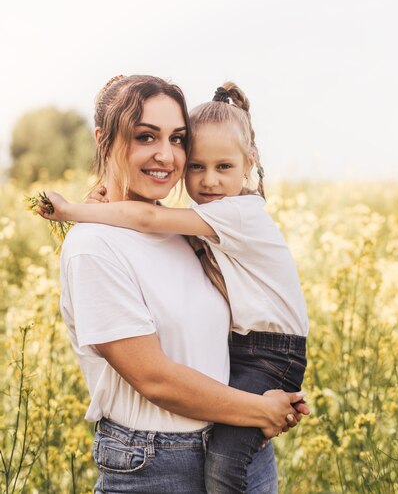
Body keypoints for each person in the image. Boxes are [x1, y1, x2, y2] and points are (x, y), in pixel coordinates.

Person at [39, 75, 309, 494]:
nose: (166, 155)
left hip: (236, 439)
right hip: (157, 463)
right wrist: (259, 408)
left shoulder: (188, 231)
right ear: (103, 139)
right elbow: (155, 379)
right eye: (145, 136)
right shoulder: (94, 245)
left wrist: (264, 400)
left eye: (179, 139)